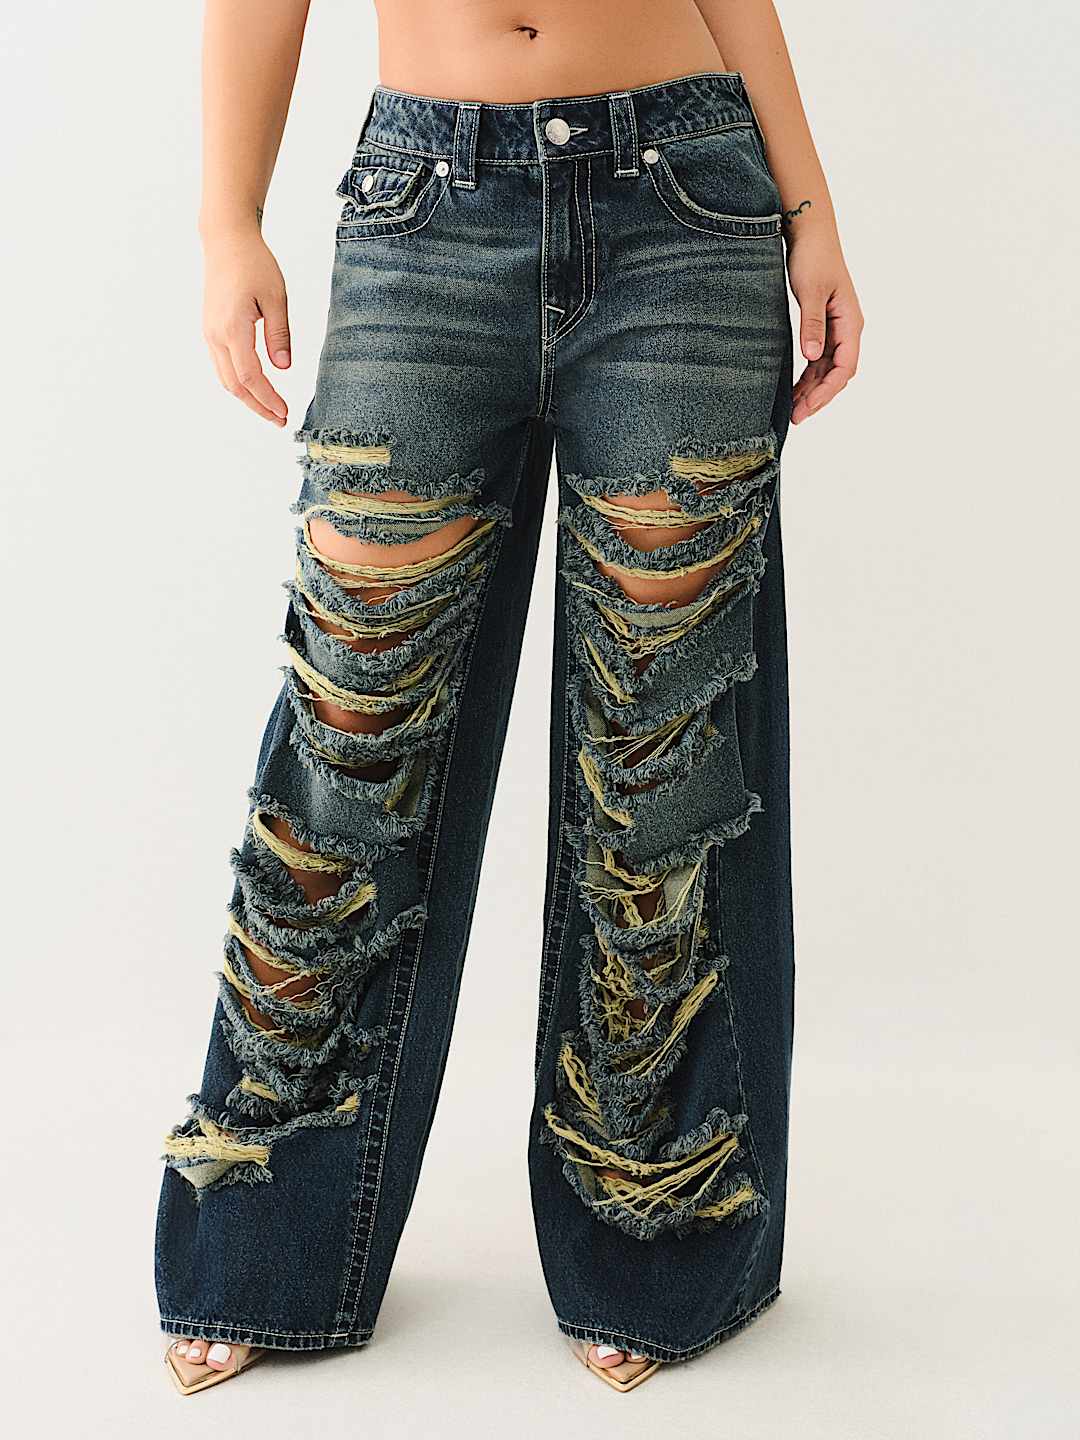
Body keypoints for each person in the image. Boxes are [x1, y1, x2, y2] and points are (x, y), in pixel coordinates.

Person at [158, 0, 862, 1396]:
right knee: (350, 734)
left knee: (658, 762)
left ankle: (654, 1237)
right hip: (424, 211)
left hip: (687, 207)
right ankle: (263, 1245)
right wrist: (227, 221)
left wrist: (813, 213)